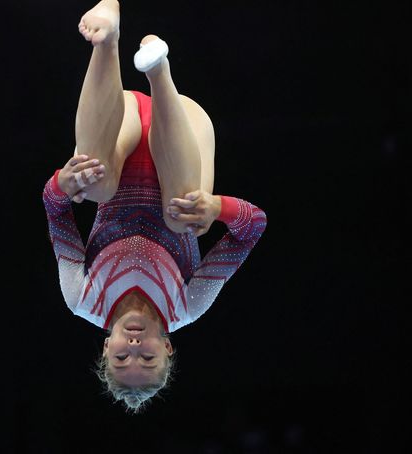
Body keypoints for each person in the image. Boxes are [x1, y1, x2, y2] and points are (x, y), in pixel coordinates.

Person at [42, 0, 267, 412]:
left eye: (121, 357)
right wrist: (216, 208)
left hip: (119, 127)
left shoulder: (81, 298)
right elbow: (253, 226)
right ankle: (159, 70)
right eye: (147, 358)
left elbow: (54, 209)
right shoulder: (188, 305)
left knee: (91, 187)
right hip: (181, 124)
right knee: (184, 219)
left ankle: (106, 39)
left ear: (105, 347)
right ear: (168, 348)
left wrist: (62, 182)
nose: (133, 346)